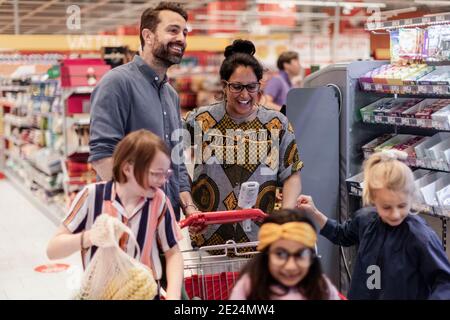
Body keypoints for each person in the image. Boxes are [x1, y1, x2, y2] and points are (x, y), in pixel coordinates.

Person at [184, 39, 303, 250]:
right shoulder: (201, 120)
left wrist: (285, 218)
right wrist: (188, 207)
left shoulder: (276, 123)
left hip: (261, 237)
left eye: (251, 87)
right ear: (224, 85)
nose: (245, 95)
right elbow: (171, 164)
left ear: (259, 85)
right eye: (237, 87)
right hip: (209, 238)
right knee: (212, 285)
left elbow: (291, 175)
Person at [88, 2, 196, 221]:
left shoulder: (171, 94)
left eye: (184, 33)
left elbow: (176, 161)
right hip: (127, 220)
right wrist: (136, 210)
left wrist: (188, 207)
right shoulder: (116, 83)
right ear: (148, 36)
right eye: (173, 30)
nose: (181, 39)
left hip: (166, 220)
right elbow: (102, 156)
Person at [47, 130, 184, 299]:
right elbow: (52, 250)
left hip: (144, 293)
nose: (162, 181)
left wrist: (173, 295)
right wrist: (88, 237)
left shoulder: (159, 201)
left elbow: (173, 253)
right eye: (156, 174)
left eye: (166, 174)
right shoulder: (92, 196)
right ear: (127, 168)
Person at [297, 150, 450, 300]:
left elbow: (444, 281)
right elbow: (341, 234)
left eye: (402, 205)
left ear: (411, 197)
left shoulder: (420, 237)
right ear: (373, 199)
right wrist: (315, 212)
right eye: (386, 207)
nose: (395, 214)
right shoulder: (365, 219)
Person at [229, 209, 340, 300]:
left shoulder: (322, 287)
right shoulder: (249, 286)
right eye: (280, 254)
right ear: (266, 256)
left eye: (301, 254)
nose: (290, 266)